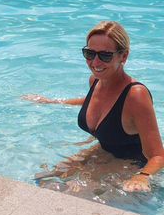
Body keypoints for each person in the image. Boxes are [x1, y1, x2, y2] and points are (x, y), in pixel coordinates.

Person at [22, 21, 164, 192]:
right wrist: (52, 101)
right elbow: (91, 101)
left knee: (69, 192)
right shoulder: (96, 80)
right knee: (40, 178)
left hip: (131, 162)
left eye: (105, 55)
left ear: (123, 56)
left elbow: (158, 155)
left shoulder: (136, 95)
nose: (95, 62)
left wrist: (142, 176)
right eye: (90, 53)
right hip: (103, 150)